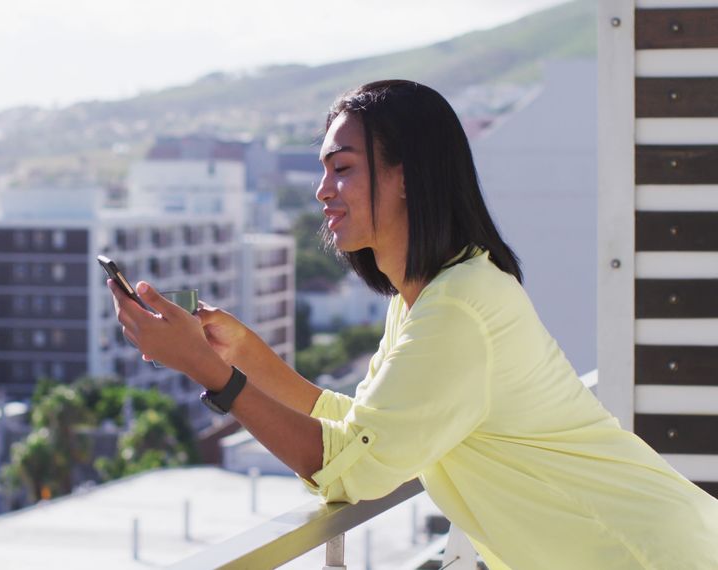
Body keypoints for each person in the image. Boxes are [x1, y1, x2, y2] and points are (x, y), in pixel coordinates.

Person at [108, 80, 718, 569]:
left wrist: (209, 371)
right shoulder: (428, 298)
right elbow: (363, 432)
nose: (322, 191)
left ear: (406, 176)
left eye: (342, 168)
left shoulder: (457, 309)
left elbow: (355, 474)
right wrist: (246, 356)